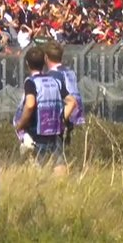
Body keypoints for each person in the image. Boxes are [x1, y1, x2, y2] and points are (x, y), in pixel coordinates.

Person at [13, 46, 77, 174]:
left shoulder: (31, 82)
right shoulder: (54, 80)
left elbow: (30, 104)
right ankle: (63, 186)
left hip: (37, 133)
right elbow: (72, 102)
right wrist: (60, 120)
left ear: (27, 64)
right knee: (59, 165)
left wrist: (21, 124)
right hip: (54, 132)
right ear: (44, 62)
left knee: (37, 171)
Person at [43, 42, 84, 150]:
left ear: (46, 57)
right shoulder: (70, 72)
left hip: (64, 117)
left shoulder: (53, 75)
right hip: (76, 116)